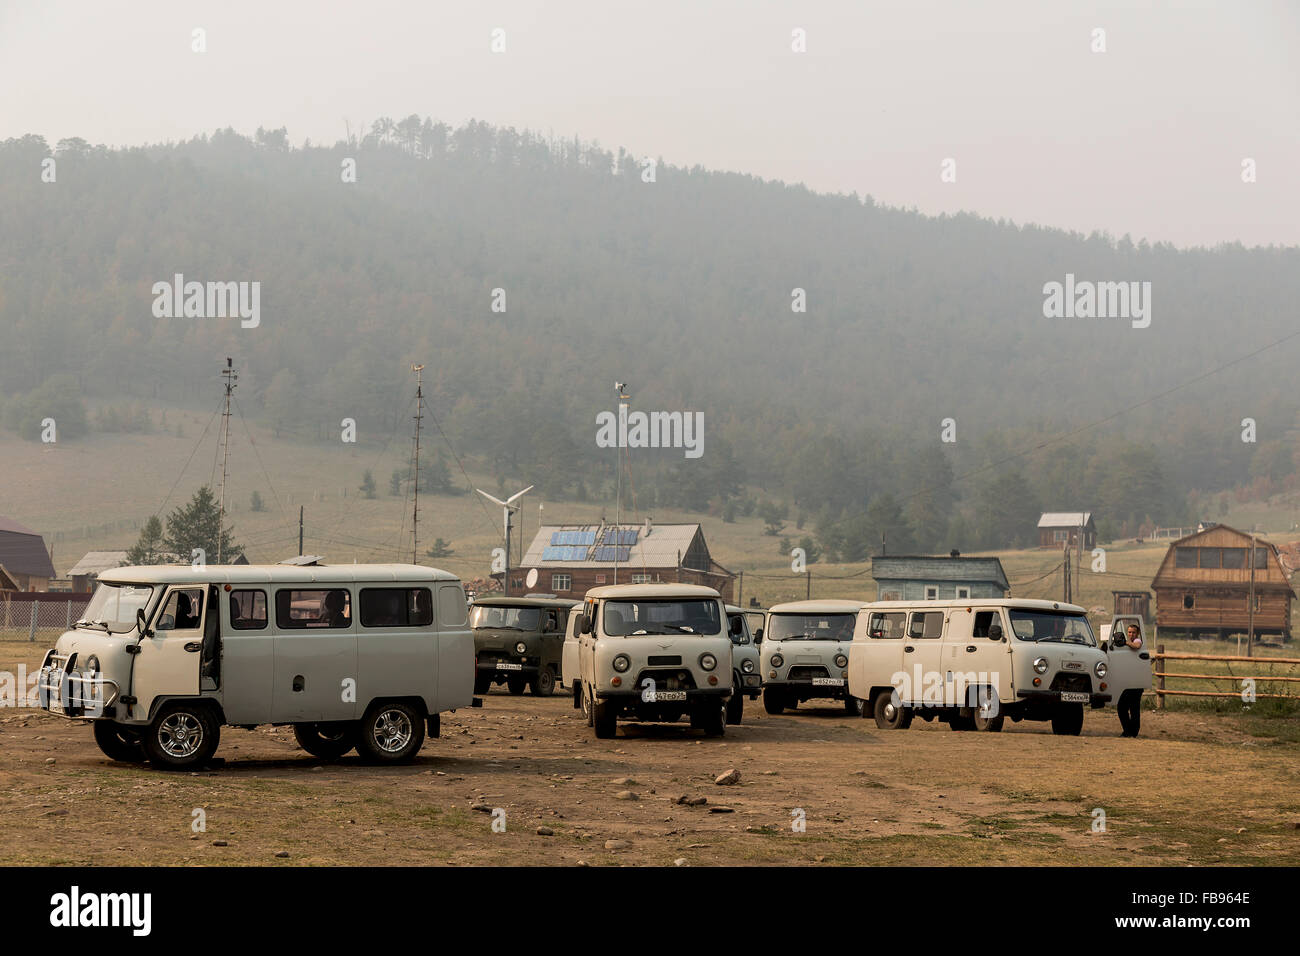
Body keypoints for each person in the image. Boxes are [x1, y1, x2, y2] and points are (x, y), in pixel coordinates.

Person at [1117, 623, 1143, 737]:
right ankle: (1129, 731)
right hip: (1129, 682)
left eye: (1133, 632)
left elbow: (1136, 646)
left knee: (1132, 708)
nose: (1131, 634)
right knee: (1125, 707)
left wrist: (1126, 642)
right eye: (1129, 632)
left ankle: (1130, 731)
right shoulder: (1129, 644)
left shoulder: (1138, 641)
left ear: (1137, 633)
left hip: (1136, 682)